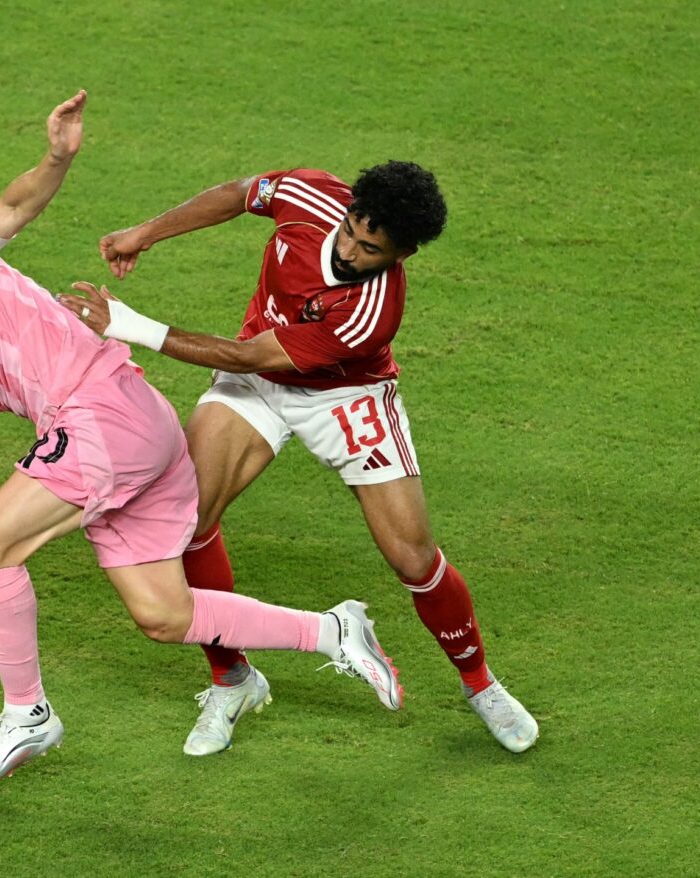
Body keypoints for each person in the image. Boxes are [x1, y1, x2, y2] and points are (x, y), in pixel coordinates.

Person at [0, 93, 405, 790]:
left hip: (99, 406)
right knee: (164, 615)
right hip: (125, 428)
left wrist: (57, 157)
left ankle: (27, 714)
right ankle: (332, 631)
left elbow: (12, 209)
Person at [60, 162, 539, 755]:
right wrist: (145, 233)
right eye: (351, 231)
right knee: (187, 520)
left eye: (371, 250)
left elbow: (245, 356)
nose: (349, 252)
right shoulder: (309, 194)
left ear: (404, 254)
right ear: (349, 207)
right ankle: (232, 678)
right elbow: (238, 194)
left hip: (343, 395)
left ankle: (480, 684)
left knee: (413, 558)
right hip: (259, 380)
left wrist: (128, 324)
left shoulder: (372, 311)